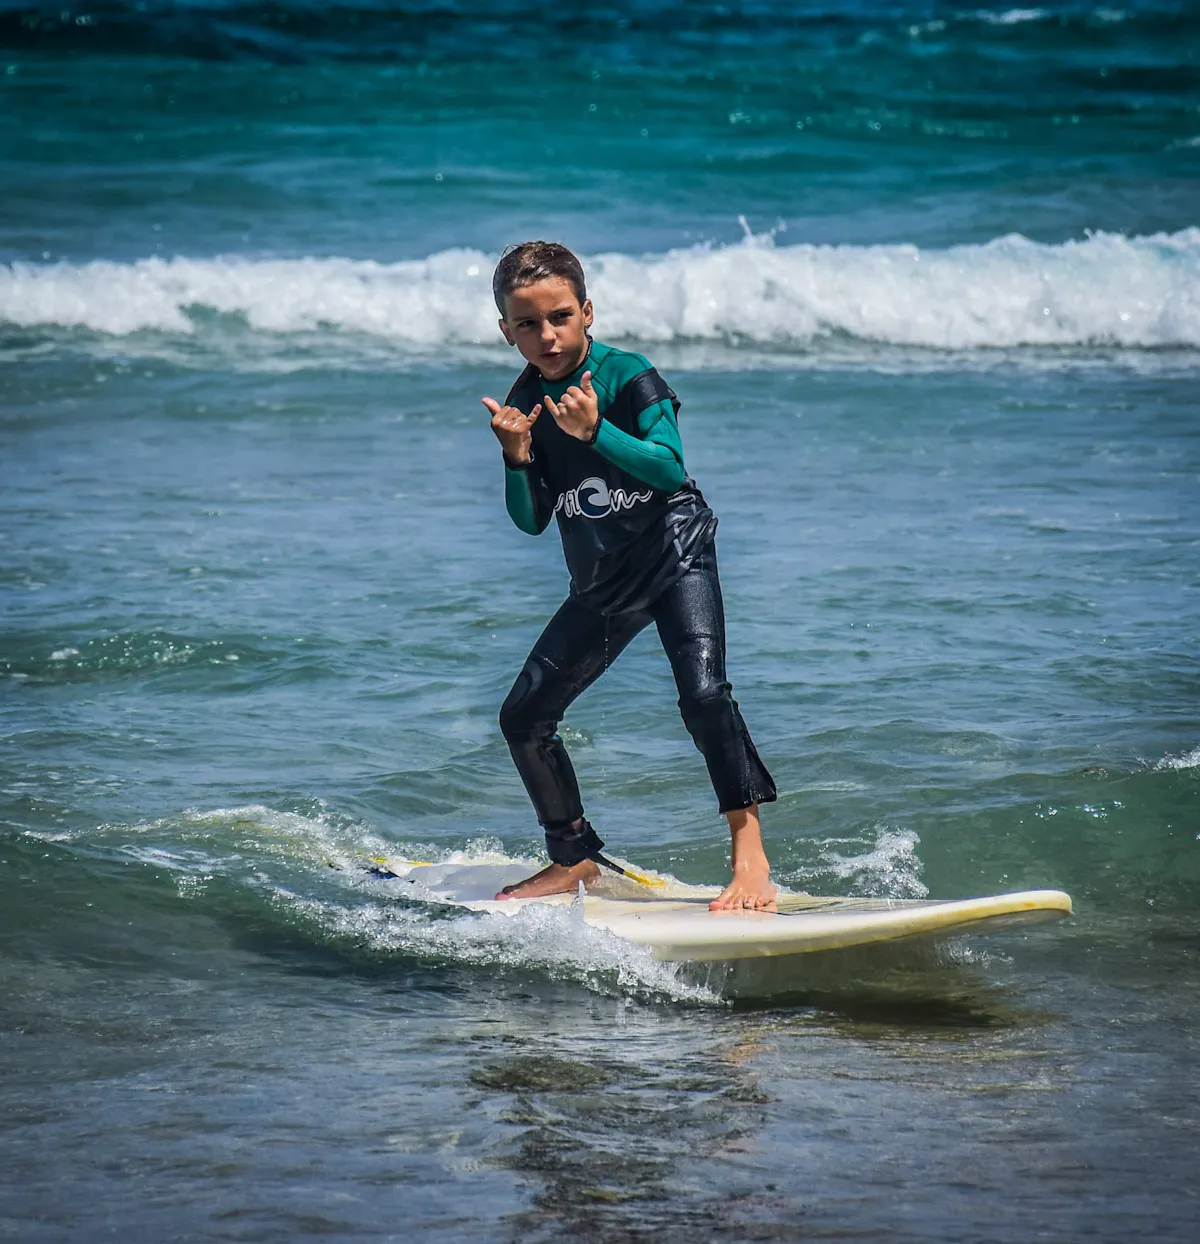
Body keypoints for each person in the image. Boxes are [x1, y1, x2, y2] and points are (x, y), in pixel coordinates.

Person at [480, 241, 777, 911]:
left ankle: (751, 857)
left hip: (675, 553)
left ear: (587, 312)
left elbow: (668, 468)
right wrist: (517, 457)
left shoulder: (629, 376)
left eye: (559, 316)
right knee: (524, 717)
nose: (546, 335)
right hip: (604, 579)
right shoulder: (525, 398)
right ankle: (573, 857)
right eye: (527, 323)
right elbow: (530, 521)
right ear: (506, 331)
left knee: (703, 695)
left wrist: (595, 436)